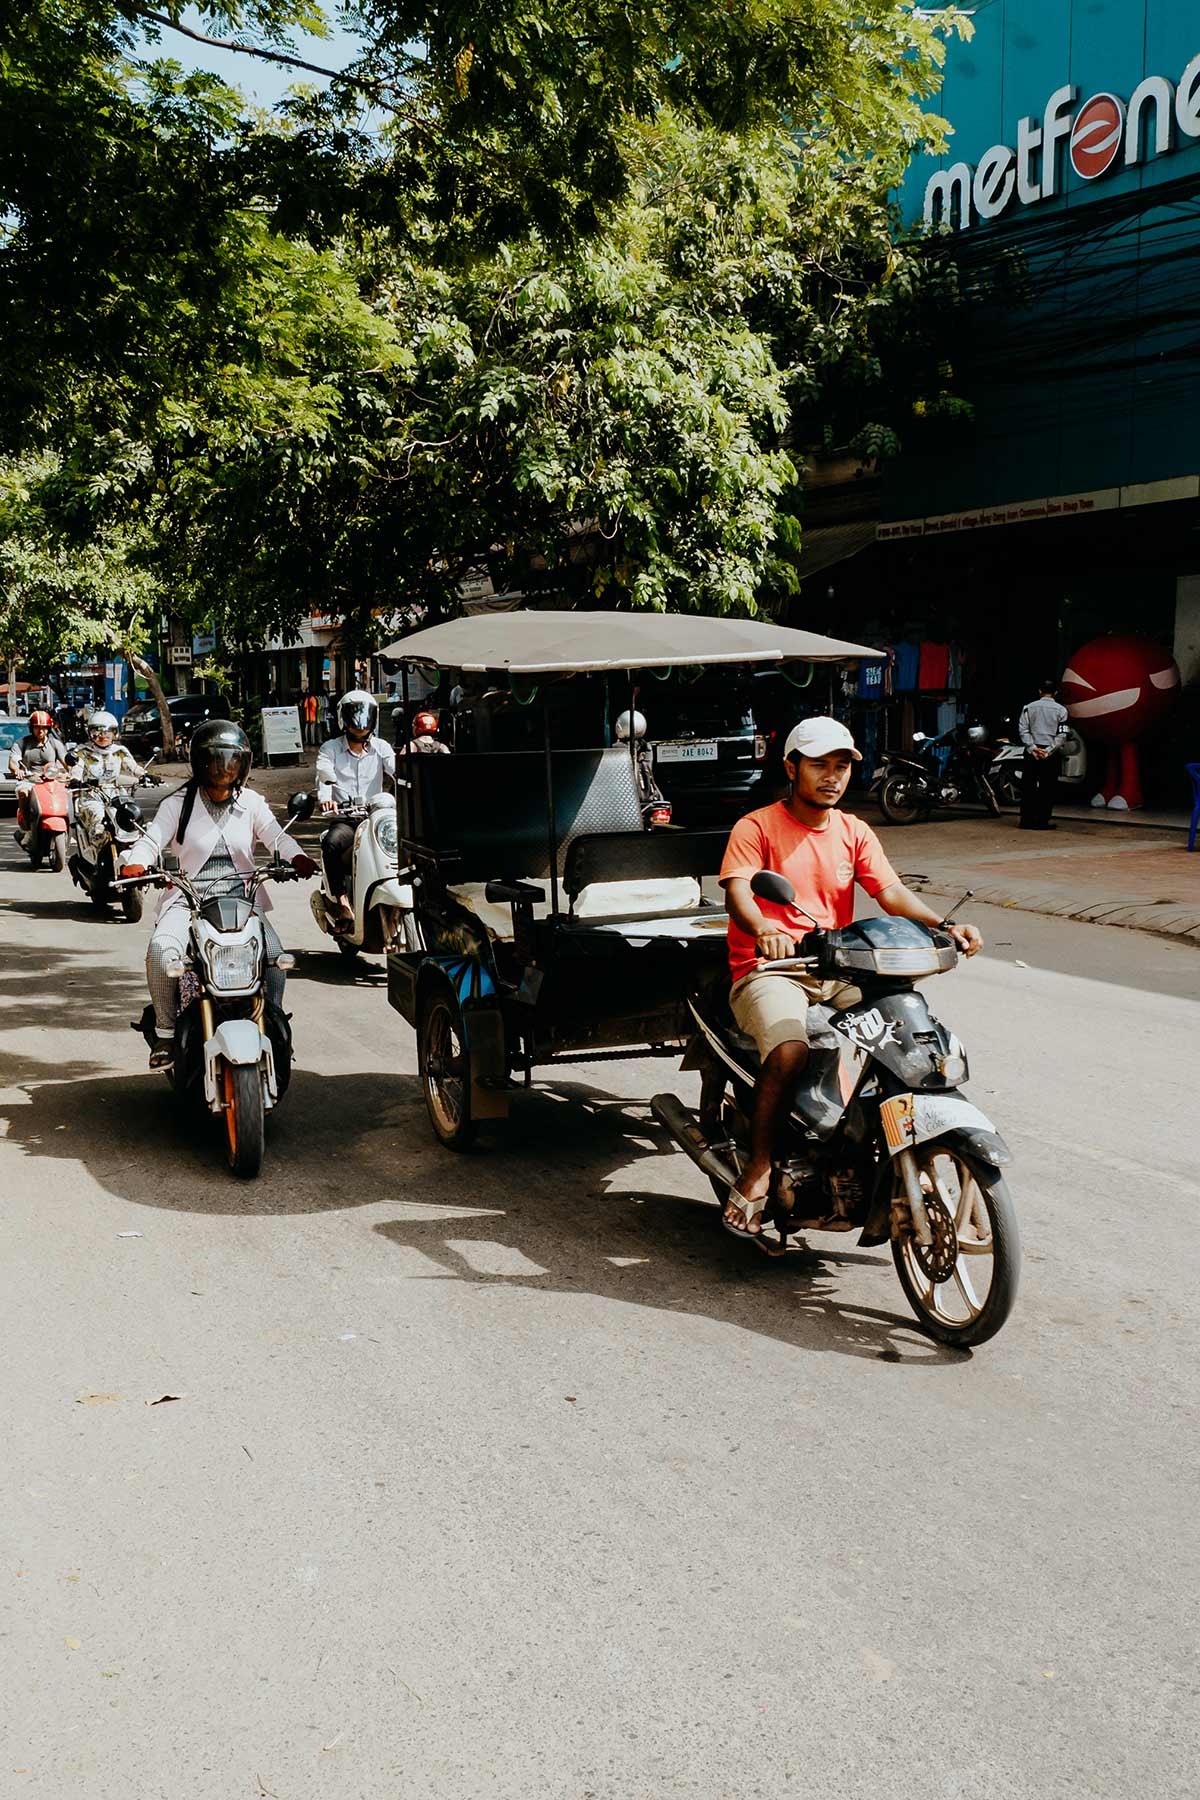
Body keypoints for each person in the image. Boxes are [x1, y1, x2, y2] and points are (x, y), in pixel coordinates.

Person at [718, 716, 983, 1243]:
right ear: (791, 767)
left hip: (837, 967)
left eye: (841, 767)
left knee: (903, 1037)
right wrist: (765, 929)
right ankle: (760, 1168)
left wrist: (942, 926)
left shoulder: (853, 830)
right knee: (791, 1051)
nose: (832, 777)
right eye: (820, 765)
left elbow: (890, 892)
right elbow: (740, 892)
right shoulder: (756, 827)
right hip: (773, 969)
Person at [121, 720, 318, 1067]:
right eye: (215, 761)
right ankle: (166, 1035)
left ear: (242, 765)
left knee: (274, 957)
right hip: (188, 896)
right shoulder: (177, 804)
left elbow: (277, 836)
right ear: (201, 763)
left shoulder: (252, 802)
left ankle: (270, 1022)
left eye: (232, 761)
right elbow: (152, 839)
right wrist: (137, 862)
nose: (224, 769)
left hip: (242, 897)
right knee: (161, 951)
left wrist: (297, 856)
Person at [314, 690, 396, 928]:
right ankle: (342, 901)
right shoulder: (330, 748)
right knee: (331, 843)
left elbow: (396, 769)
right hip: (347, 819)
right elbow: (324, 773)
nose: (360, 723)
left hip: (377, 819)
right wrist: (326, 799)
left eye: (364, 715)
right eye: (355, 715)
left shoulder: (381, 747)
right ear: (343, 718)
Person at [69, 711, 145, 845]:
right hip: (91, 794)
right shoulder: (83, 752)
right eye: (97, 732)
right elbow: (77, 768)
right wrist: (75, 780)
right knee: (97, 817)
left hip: (116, 793)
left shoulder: (119, 751)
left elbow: (133, 768)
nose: (102, 736)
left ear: (114, 733)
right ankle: (97, 845)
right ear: (90, 733)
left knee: (131, 815)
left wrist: (146, 775)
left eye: (107, 732)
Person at [9, 710, 69, 848]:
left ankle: (72, 827)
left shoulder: (55, 744)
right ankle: (27, 828)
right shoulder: (22, 743)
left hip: (51, 780)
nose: (40, 730)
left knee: (69, 796)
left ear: (48, 728)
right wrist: (17, 770)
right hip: (29, 780)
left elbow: (66, 761)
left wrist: (71, 772)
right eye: (37, 727)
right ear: (32, 728)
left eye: (44, 727)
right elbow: (13, 761)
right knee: (23, 792)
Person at [1018, 678, 1069, 831]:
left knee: (1028, 786)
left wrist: (1033, 748)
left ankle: (1026, 820)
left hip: (1031, 753)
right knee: (1047, 788)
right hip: (1050, 754)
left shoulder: (1028, 708)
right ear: (1056, 693)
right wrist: (1048, 751)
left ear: (1040, 691)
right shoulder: (1062, 710)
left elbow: (1023, 730)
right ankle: (1042, 821)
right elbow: (1062, 735)